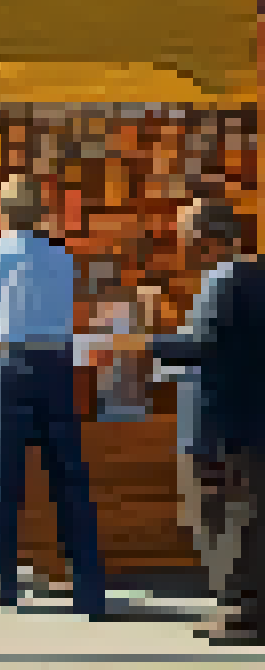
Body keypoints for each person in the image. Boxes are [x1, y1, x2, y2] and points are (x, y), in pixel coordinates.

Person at [0, 173, 108, 618]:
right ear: (42, 213)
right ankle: (89, 586)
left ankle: (0, 582)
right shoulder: (64, 257)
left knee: (3, 479)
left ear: (1, 213)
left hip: (14, 363)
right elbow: (77, 312)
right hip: (60, 365)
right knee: (70, 478)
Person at [147, 198, 261, 644]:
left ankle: (237, 614)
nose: (181, 245)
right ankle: (247, 610)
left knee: (219, 520)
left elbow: (205, 345)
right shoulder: (253, 276)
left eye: (186, 235)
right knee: (245, 520)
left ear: (209, 238)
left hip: (217, 425)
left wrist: (147, 342)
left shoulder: (225, 279)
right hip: (243, 422)